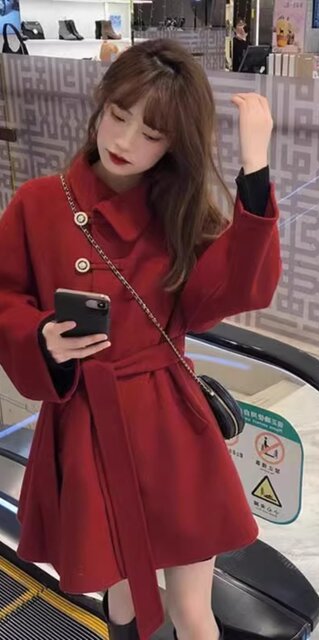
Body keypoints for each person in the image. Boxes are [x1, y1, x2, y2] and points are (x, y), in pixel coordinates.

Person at [0, 39, 281, 640]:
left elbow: (234, 289)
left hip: (169, 423)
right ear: (101, 105)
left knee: (192, 609)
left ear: (174, 143)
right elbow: (4, 296)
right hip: (88, 423)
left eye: (151, 133)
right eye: (118, 115)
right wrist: (42, 337)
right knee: (120, 591)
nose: (124, 141)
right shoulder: (39, 204)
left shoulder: (177, 210)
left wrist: (255, 170)